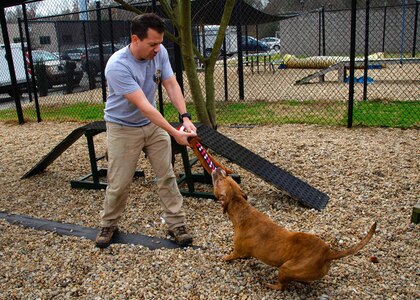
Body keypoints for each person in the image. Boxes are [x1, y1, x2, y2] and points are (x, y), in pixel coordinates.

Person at [95, 13, 197, 248]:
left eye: (160, 43)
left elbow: (171, 83)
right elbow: (142, 105)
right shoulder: (117, 66)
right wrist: (174, 132)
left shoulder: (159, 53)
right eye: (152, 44)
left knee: (167, 176)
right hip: (122, 127)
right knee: (119, 182)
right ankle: (109, 223)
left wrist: (185, 117)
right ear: (135, 39)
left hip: (151, 125)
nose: (157, 49)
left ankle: (176, 224)